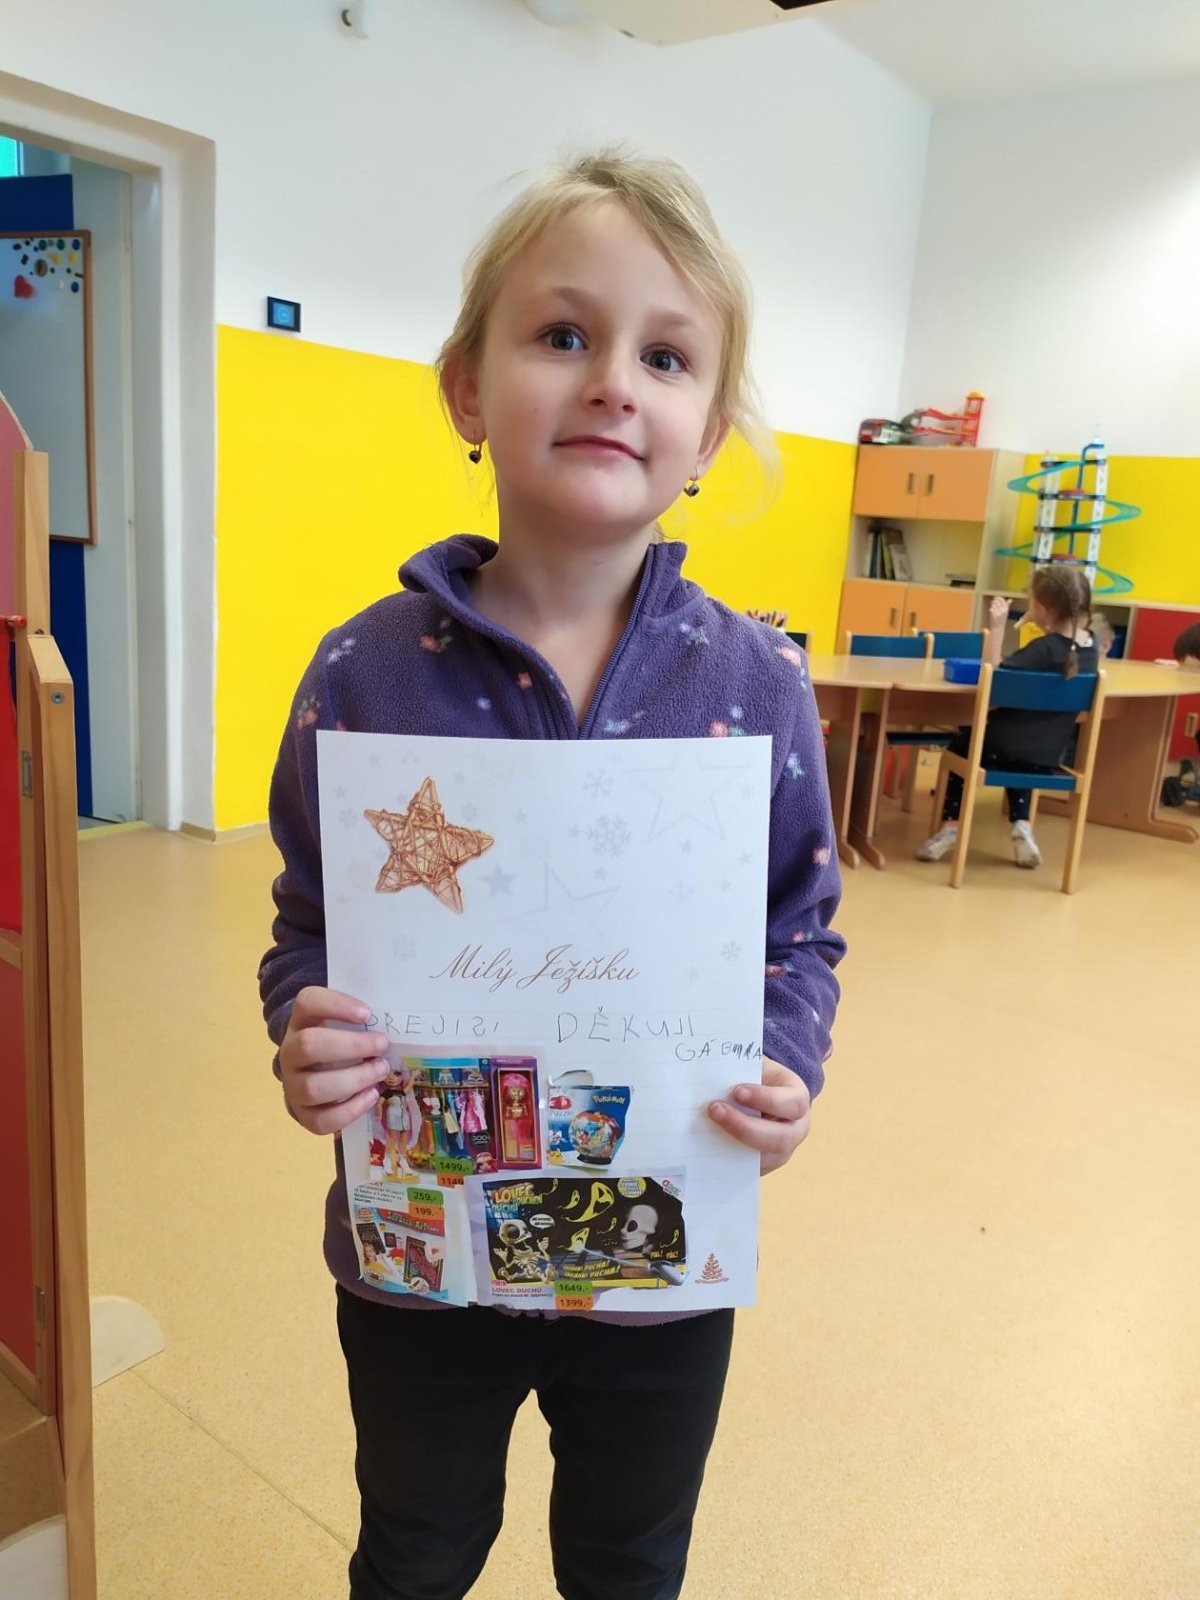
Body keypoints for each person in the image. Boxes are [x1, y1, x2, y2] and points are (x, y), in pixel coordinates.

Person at [258, 151, 845, 1600]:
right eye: (563, 333)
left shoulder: (757, 683)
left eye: (666, 355)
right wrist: (306, 1032)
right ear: (467, 388)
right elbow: (308, 922)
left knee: (628, 1561)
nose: (613, 384)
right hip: (425, 1255)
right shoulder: (366, 672)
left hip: (657, 1256)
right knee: (416, 1549)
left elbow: (798, 931)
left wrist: (781, 1067)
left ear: (709, 429)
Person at [917, 564, 1099, 870]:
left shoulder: (1041, 649)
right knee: (1023, 751)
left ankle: (951, 826)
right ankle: (1021, 824)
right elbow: (1061, 652)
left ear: (1043, 609)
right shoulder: (1090, 648)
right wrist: (1045, 625)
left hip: (999, 748)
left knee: (962, 746)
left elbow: (991, 681)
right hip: (1048, 755)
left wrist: (998, 627)